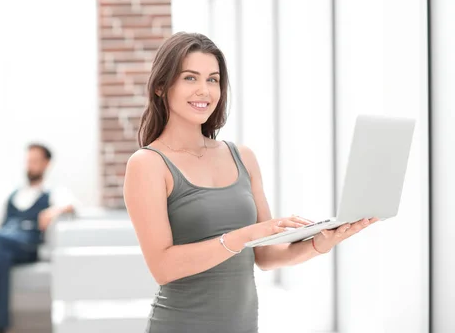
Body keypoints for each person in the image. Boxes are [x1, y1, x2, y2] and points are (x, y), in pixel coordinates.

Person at [123, 32, 379, 333]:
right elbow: (162, 268)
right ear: (161, 87)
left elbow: (266, 256)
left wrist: (319, 243)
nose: (204, 90)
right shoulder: (148, 164)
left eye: (213, 79)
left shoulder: (242, 157)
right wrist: (242, 236)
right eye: (190, 78)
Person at [0, 143, 76, 333]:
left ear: (46, 164)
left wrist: (54, 210)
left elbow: (72, 205)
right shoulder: (10, 192)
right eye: (28, 161)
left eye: (35, 161)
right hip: (4, 243)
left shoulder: (53, 193)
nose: (30, 165)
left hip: (28, 246)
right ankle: (0, 326)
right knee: (0, 256)